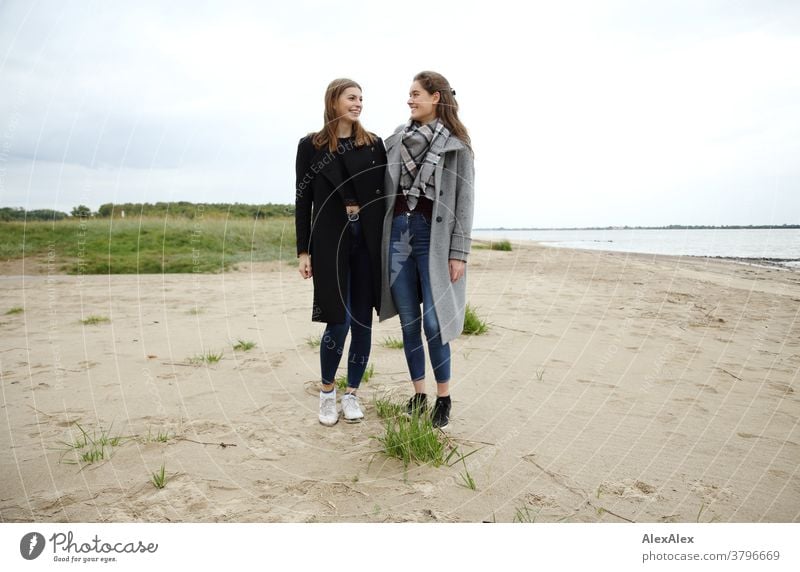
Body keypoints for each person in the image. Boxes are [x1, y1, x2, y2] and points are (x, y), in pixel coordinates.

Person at [379, 71, 475, 429]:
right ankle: (419, 395)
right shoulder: (393, 141)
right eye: (409, 94)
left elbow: (465, 202)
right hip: (398, 235)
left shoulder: (458, 147)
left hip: (434, 239)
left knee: (435, 324)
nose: (410, 99)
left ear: (435, 98)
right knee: (408, 322)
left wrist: (459, 252)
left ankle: (444, 398)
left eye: (416, 93)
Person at [295, 78, 387, 426]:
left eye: (361, 98)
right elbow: (303, 200)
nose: (358, 103)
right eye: (351, 97)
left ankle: (352, 395)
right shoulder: (310, 146)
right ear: (334, 101)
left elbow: (386, 195)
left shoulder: (374, 144)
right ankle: (327, 393)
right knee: (338, 321)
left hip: (367, 239)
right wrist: (303, 251)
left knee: (362, 323)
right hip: (330, 238)